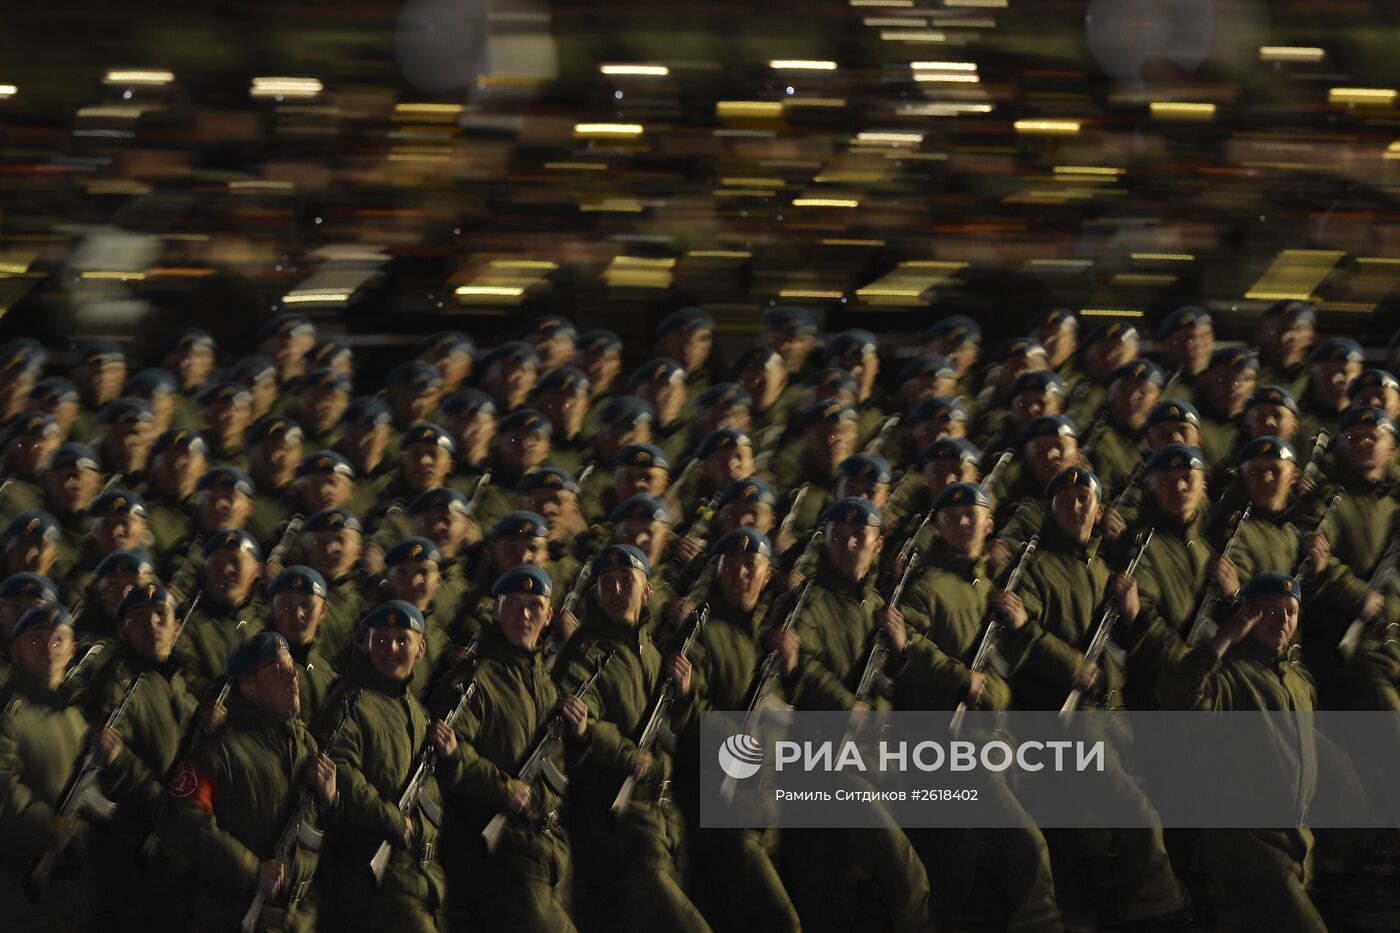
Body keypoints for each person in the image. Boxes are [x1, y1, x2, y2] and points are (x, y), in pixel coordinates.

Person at [1154, 572, 1326, 932]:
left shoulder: (1298, 681)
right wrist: (1222, 641)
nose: (1282, 620)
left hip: (1296, 839)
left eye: (1290, 612)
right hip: (1248, 842)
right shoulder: (1227, 676)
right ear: (1246, 616)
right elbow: (1179, 699)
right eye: (1270, 611)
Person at [552, 544, 710, 932]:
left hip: (660, 822)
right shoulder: (585, 653)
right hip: (618, 829)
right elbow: (581, 719)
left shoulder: (651, 654)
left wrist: (685, 692)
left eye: (627, 581)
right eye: (608, 583)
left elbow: (678, 727)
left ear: (647, 590)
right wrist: (628, 755)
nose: (617, 590)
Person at [430, 565, 587, 932]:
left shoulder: (545, 685)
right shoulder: (476, 678)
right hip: (502, 854)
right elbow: (448, 752)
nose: (524, 614)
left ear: (548, 616)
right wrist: (502, 787)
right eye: (513, 604)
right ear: (496, 610)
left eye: (534, 606)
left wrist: (580, 733)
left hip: (548, 850)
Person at [318, 601, 461, 933]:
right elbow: (342, 773)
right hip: (375, 877)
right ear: (365, 643)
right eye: (381, 639)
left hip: (420, 873)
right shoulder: (350, 703)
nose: (391, 649)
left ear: (421, 648)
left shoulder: (415, 710)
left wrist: (452, 757)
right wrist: (394, 821)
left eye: (402, 640)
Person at [81, 583, 196, 932]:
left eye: (161, 615)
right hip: (132, 843)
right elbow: (111, 760)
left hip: (180, 842)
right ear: (122, 628)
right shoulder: (119, 682)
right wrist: (165, 807)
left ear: (176, 627)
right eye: (138, 617)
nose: (151, 625)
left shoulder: (177, 681)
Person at [0, 603, 91, 931]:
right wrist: (47, 826)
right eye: (36, 640)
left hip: (71, 876)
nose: (48, 649)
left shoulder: (77, 714)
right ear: (16, 650)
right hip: (16, 869)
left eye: (58, 640)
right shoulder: (10, 713)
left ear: (72, 651)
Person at [262, 567, 340, 719]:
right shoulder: (257, 666)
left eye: (306, 606)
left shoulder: (328, 674)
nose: (297, 614)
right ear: (271, 605)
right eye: (286, 606)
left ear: (323, 611)